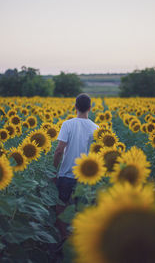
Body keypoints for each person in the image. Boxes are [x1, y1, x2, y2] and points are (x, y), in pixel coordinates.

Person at [53, 93, 98, 242]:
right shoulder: (96, 128)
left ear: (75, 107)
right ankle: (80, 239)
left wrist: (54, 170)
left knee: (61, 206)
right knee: (82, 210)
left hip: (66, 173)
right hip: (86, 177)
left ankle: (65, 237)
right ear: (90, 108)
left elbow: (59, 150)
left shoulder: (68, 124)